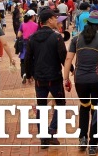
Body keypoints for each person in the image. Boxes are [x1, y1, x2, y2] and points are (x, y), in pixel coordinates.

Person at [63, 10, 98, 153]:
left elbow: (68, 59)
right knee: (96, 110)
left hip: (80, 79)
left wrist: (65, 78)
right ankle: (93, 144)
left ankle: (82, 138)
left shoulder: (76, 38)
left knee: (84, 106)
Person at [25, 9, 67, 148]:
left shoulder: (32, 37)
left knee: (42, 107)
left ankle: (44, 138)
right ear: (49, 20)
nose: (57, 21)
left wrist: (29, 74)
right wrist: (70, 70)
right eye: (55, 18)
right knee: (60, 105)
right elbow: (63, 57)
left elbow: (28, 58)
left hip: (39, 79)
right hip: (55, 77)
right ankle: (52, 131)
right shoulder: (56, 37)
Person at [17, 10, 39, 83]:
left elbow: (18, 35)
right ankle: (31, 75)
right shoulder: (36, 25)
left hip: (24, 44)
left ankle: (24, 73)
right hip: (33, 44)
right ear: (32, 16)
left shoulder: (22, 24)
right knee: (32, 61)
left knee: (23, 61)